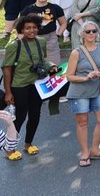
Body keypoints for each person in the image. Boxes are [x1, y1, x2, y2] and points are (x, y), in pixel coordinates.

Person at [3, 14, 59, 160]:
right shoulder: (14, 45)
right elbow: (7, 69)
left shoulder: (41, 41)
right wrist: (8, 92)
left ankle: (28, 144)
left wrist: (51, 66)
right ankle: (10, 149)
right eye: (27, 28)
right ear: (21, 29)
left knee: (35, 115)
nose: (31, 31)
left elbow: (42, 60)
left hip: (37, 84)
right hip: (19, 85)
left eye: (34, 27)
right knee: (20, 116)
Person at [63, 21, 100, 167]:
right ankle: (85, 153)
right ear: (82, 34)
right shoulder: (76, 52)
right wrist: (86, 77)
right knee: (83, 122)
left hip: (98, 88)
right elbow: (69, 76)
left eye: (94, 31)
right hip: (80, 91)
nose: (91, 34)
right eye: (88, 31)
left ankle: (95, 149)